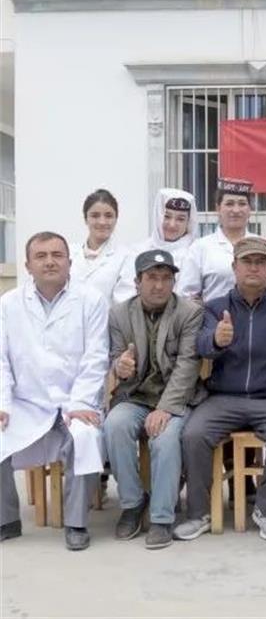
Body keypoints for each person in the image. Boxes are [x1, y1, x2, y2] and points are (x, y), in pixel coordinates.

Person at [175, 237, 266, 542]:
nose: (253, 268)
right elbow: (201, 346)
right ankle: (199, 513)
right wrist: (216, 340)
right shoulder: (215, 307)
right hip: (223, 398)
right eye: (247, 262)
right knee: (193, 434)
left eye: (261, 262)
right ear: (234, 267)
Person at [0, 232, 108, 550]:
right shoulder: (8, 304)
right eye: (41, 256)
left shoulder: (91, 300)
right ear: (27, 265)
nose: (50, 262)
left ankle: (76, 523)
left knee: (84, 437)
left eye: (57, 255)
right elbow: (1, 360)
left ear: (70, 263)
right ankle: (6, 519)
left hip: (76, 400)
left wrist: (81, 402)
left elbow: (96, 357)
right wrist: (2, 403)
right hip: (27, 403)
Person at [104, 249, 203, 549]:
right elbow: (115, 357)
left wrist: (165, 409)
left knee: (165, 437)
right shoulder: (119, 313)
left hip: (175, 398)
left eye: (166, 278)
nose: (159, 285)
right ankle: (133, 503)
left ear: (174, 281)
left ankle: (161, 517)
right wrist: (120, 367)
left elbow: (188, 365)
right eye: (151, 278)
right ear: (137, 282)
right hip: (136, 396)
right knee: (115, 426)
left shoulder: (189, 312)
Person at [113, 188, 199, 304]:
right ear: (158, 216)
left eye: (180, 219)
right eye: (167, 216)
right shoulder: (138, 251)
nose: (172, 224)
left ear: (189, 222)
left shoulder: (195, 253)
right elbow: (123, 297)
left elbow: (190, 300)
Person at [177, 178, 254, 303]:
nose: (236, 210)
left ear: (250, 209)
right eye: (229, 204)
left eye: (242, 204)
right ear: (218, 208)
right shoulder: (201, 247)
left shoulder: (262, 244)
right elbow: (186, 295)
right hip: (213, 314)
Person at [70, 188, 130, 304]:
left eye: (108, 216)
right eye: (95, 216)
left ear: (116, 219)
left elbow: (122, 304)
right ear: (86, 219)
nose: (102, 222)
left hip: (107, 316)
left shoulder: (126, 257)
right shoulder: (69, 253)